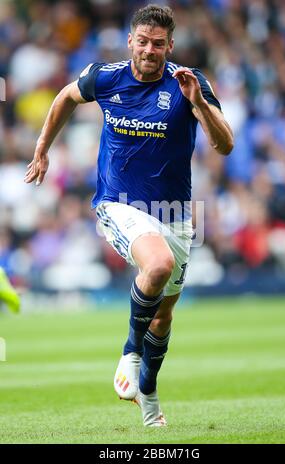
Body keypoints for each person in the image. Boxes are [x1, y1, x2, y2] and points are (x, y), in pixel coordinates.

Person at [24, 4, 233, 426]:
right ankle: (128, 353)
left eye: (159, 44)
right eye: (143, 41)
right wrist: (42, 147)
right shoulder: (105, 77)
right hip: (118, 202)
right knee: (158, 265)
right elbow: (66, 96)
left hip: (173, 211)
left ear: (170, 46)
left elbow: (224, 145)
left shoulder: (187, 83)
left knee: (164, 313)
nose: (150, 50)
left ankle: (149, 394)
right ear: (130, 41)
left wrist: (200, 104)